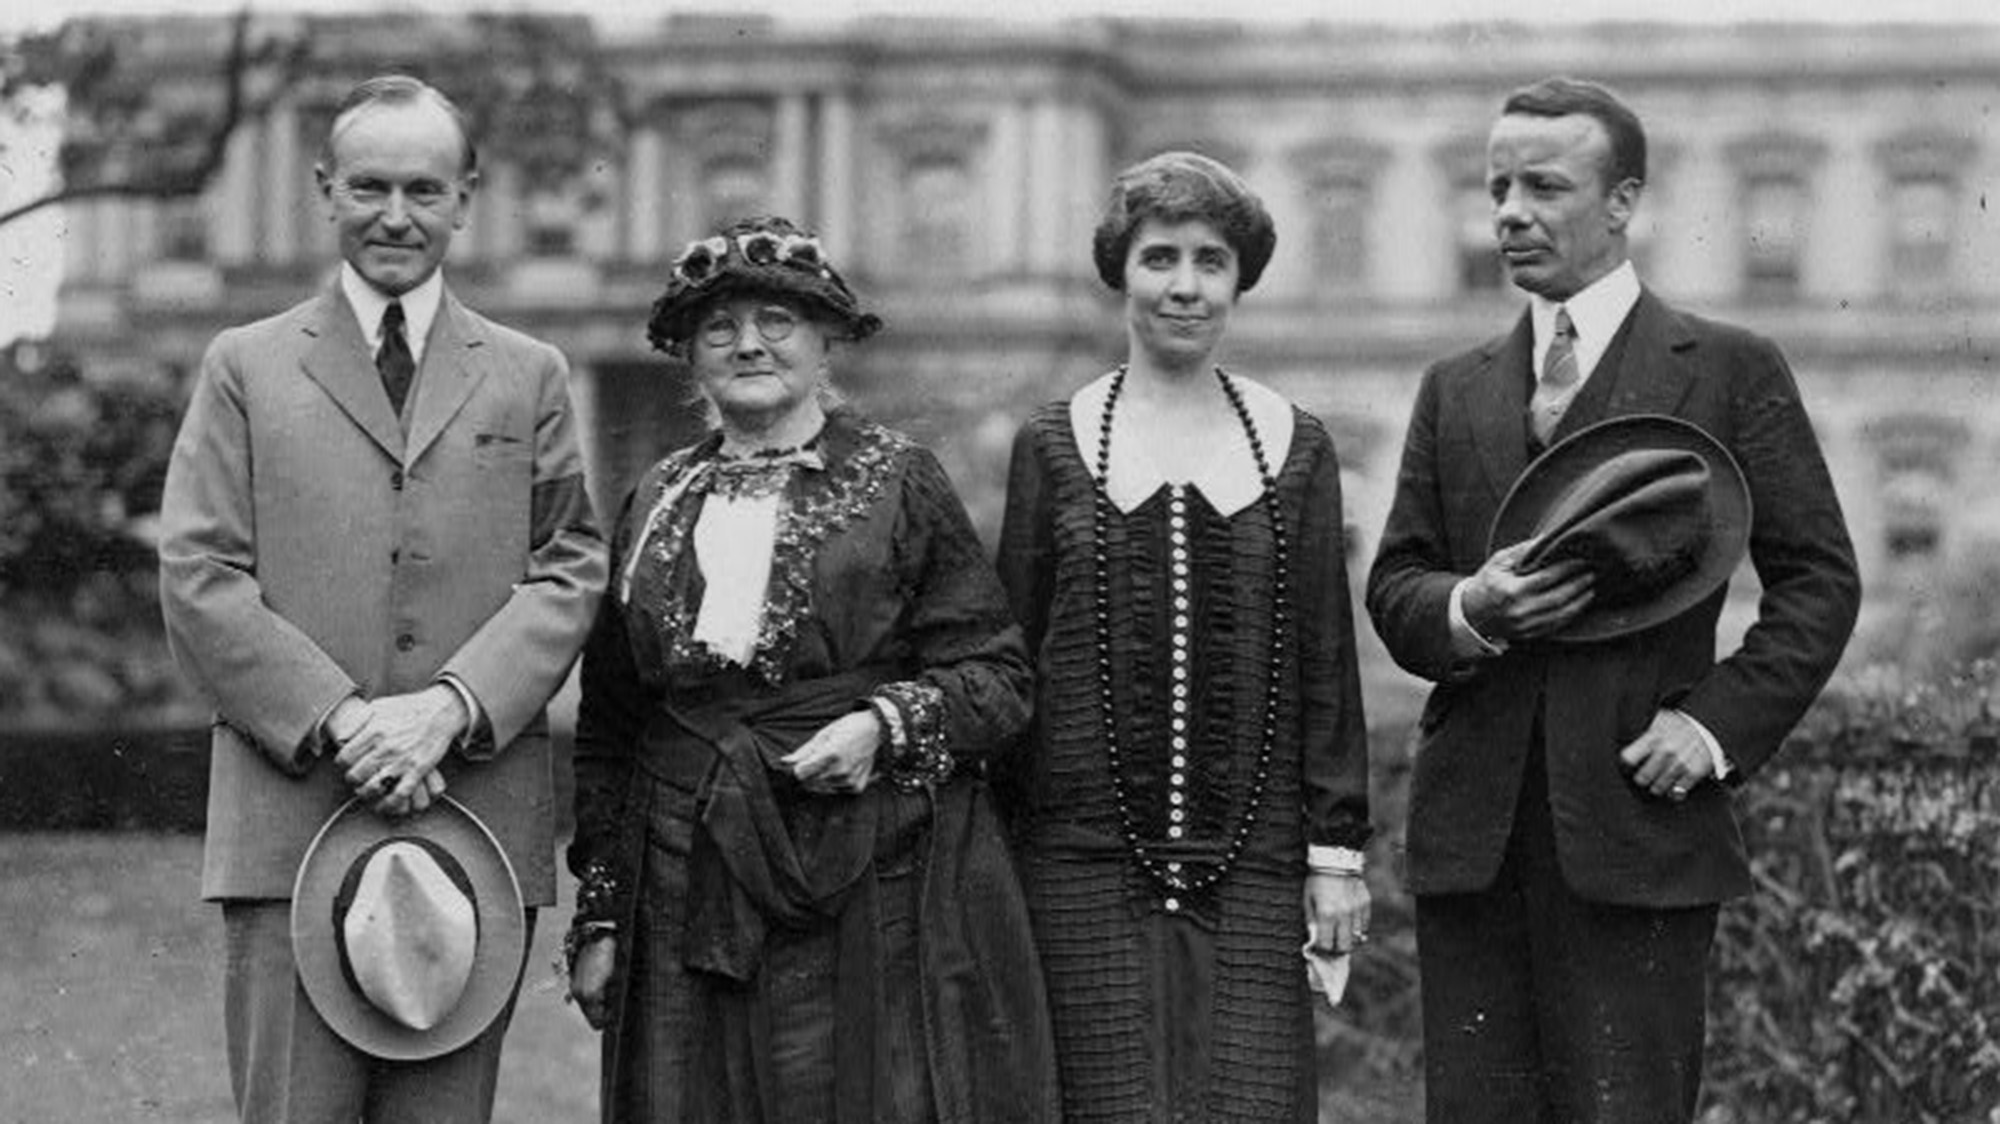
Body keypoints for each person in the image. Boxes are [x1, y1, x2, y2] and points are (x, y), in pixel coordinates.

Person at [1366, 77, 1861, 1124]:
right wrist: (1470, 608)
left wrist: (1710, 729)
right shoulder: (1454, 386)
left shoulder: (1727, 368)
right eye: (1497, 188)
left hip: (1641, 838)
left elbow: (1818, 580)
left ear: (1624, 201)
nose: (1509, 213)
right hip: (1475, 850)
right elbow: (1397, 583)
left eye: (1543, 187)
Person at [158, 74, 607, 1123]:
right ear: (325, 189)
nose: (395, 215)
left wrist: (449, 707)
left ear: (466, 199)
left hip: (472, 825)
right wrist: (346, 720)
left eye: (423, 189)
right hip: (290, 822)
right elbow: (198, 570)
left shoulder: (530, 372)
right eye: (368, 187)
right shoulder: (244, 366)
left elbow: (570, 563)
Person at [563, 215, 1058, 1124]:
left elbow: (998, 675)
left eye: (777, 321)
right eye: (719, 327)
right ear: (689, 354)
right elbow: (611, 726)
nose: (748, 344)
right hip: (678, 873)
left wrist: (882, 726)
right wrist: (600, 916)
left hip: (861, 873)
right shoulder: (655, 497)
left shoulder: (900, 479)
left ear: (826, 338)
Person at [995, 151, 1373, 1122]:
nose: (1184, 286)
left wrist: (1334, 855)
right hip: (1077, 857)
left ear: (1239, 280)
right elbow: (1010, 662)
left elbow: (1325, 663)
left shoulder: (1296, 444)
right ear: (1120, 272)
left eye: (1211, 261)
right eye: (1159, 257)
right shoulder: (1053, 442)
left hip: (1255, 860)